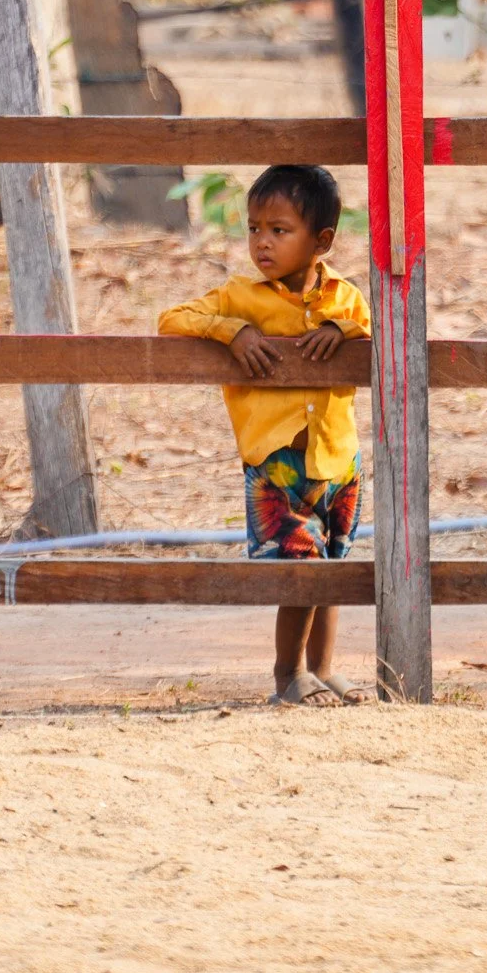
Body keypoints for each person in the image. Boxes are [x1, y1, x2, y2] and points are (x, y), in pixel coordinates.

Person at [159, 164, 372, 706]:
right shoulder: (238, 297)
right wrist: (233, 332)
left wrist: (337, 330)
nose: (262, 243)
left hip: (338, 461)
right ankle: (287, 675)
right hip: (277, 467)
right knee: (299, 575)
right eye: (254, 228)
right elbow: (173, 319)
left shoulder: (343, 297)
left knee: (332, 574)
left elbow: (371, 324)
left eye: (280, 230)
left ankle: (322, 670)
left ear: (321, 241)